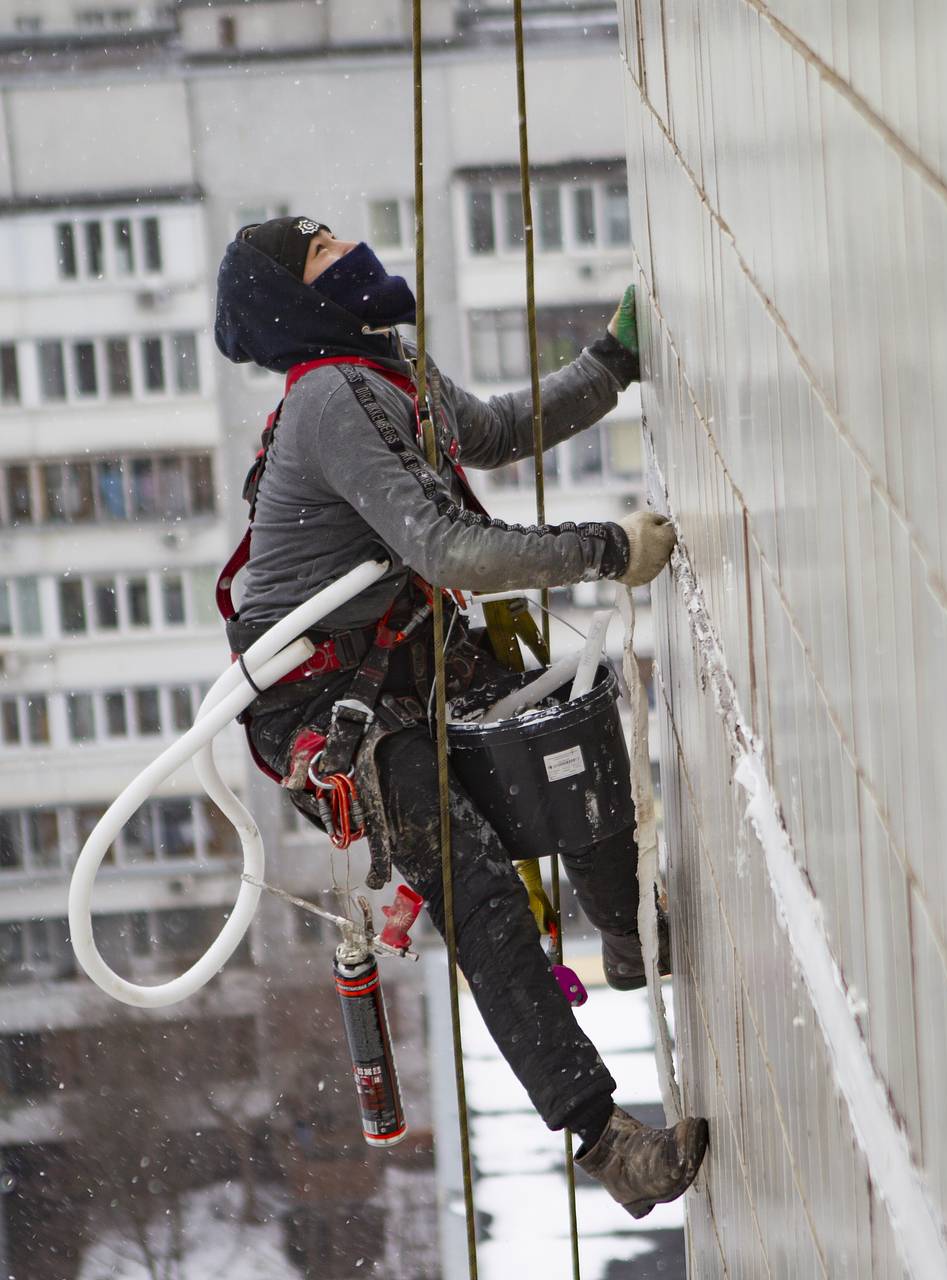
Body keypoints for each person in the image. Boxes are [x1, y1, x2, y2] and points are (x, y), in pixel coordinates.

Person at [213, 216, 708, 1218]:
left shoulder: (380, 364)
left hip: (398, 651)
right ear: (297, 298)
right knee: (474, 883)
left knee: (568, 726)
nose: (346, 243)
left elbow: (488, 433)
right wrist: (604, 549)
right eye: (319, 250)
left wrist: (609, 364)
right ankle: (605, 1139)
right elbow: (452, 548)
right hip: (328, 703)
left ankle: (623, 933)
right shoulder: (326, 400)